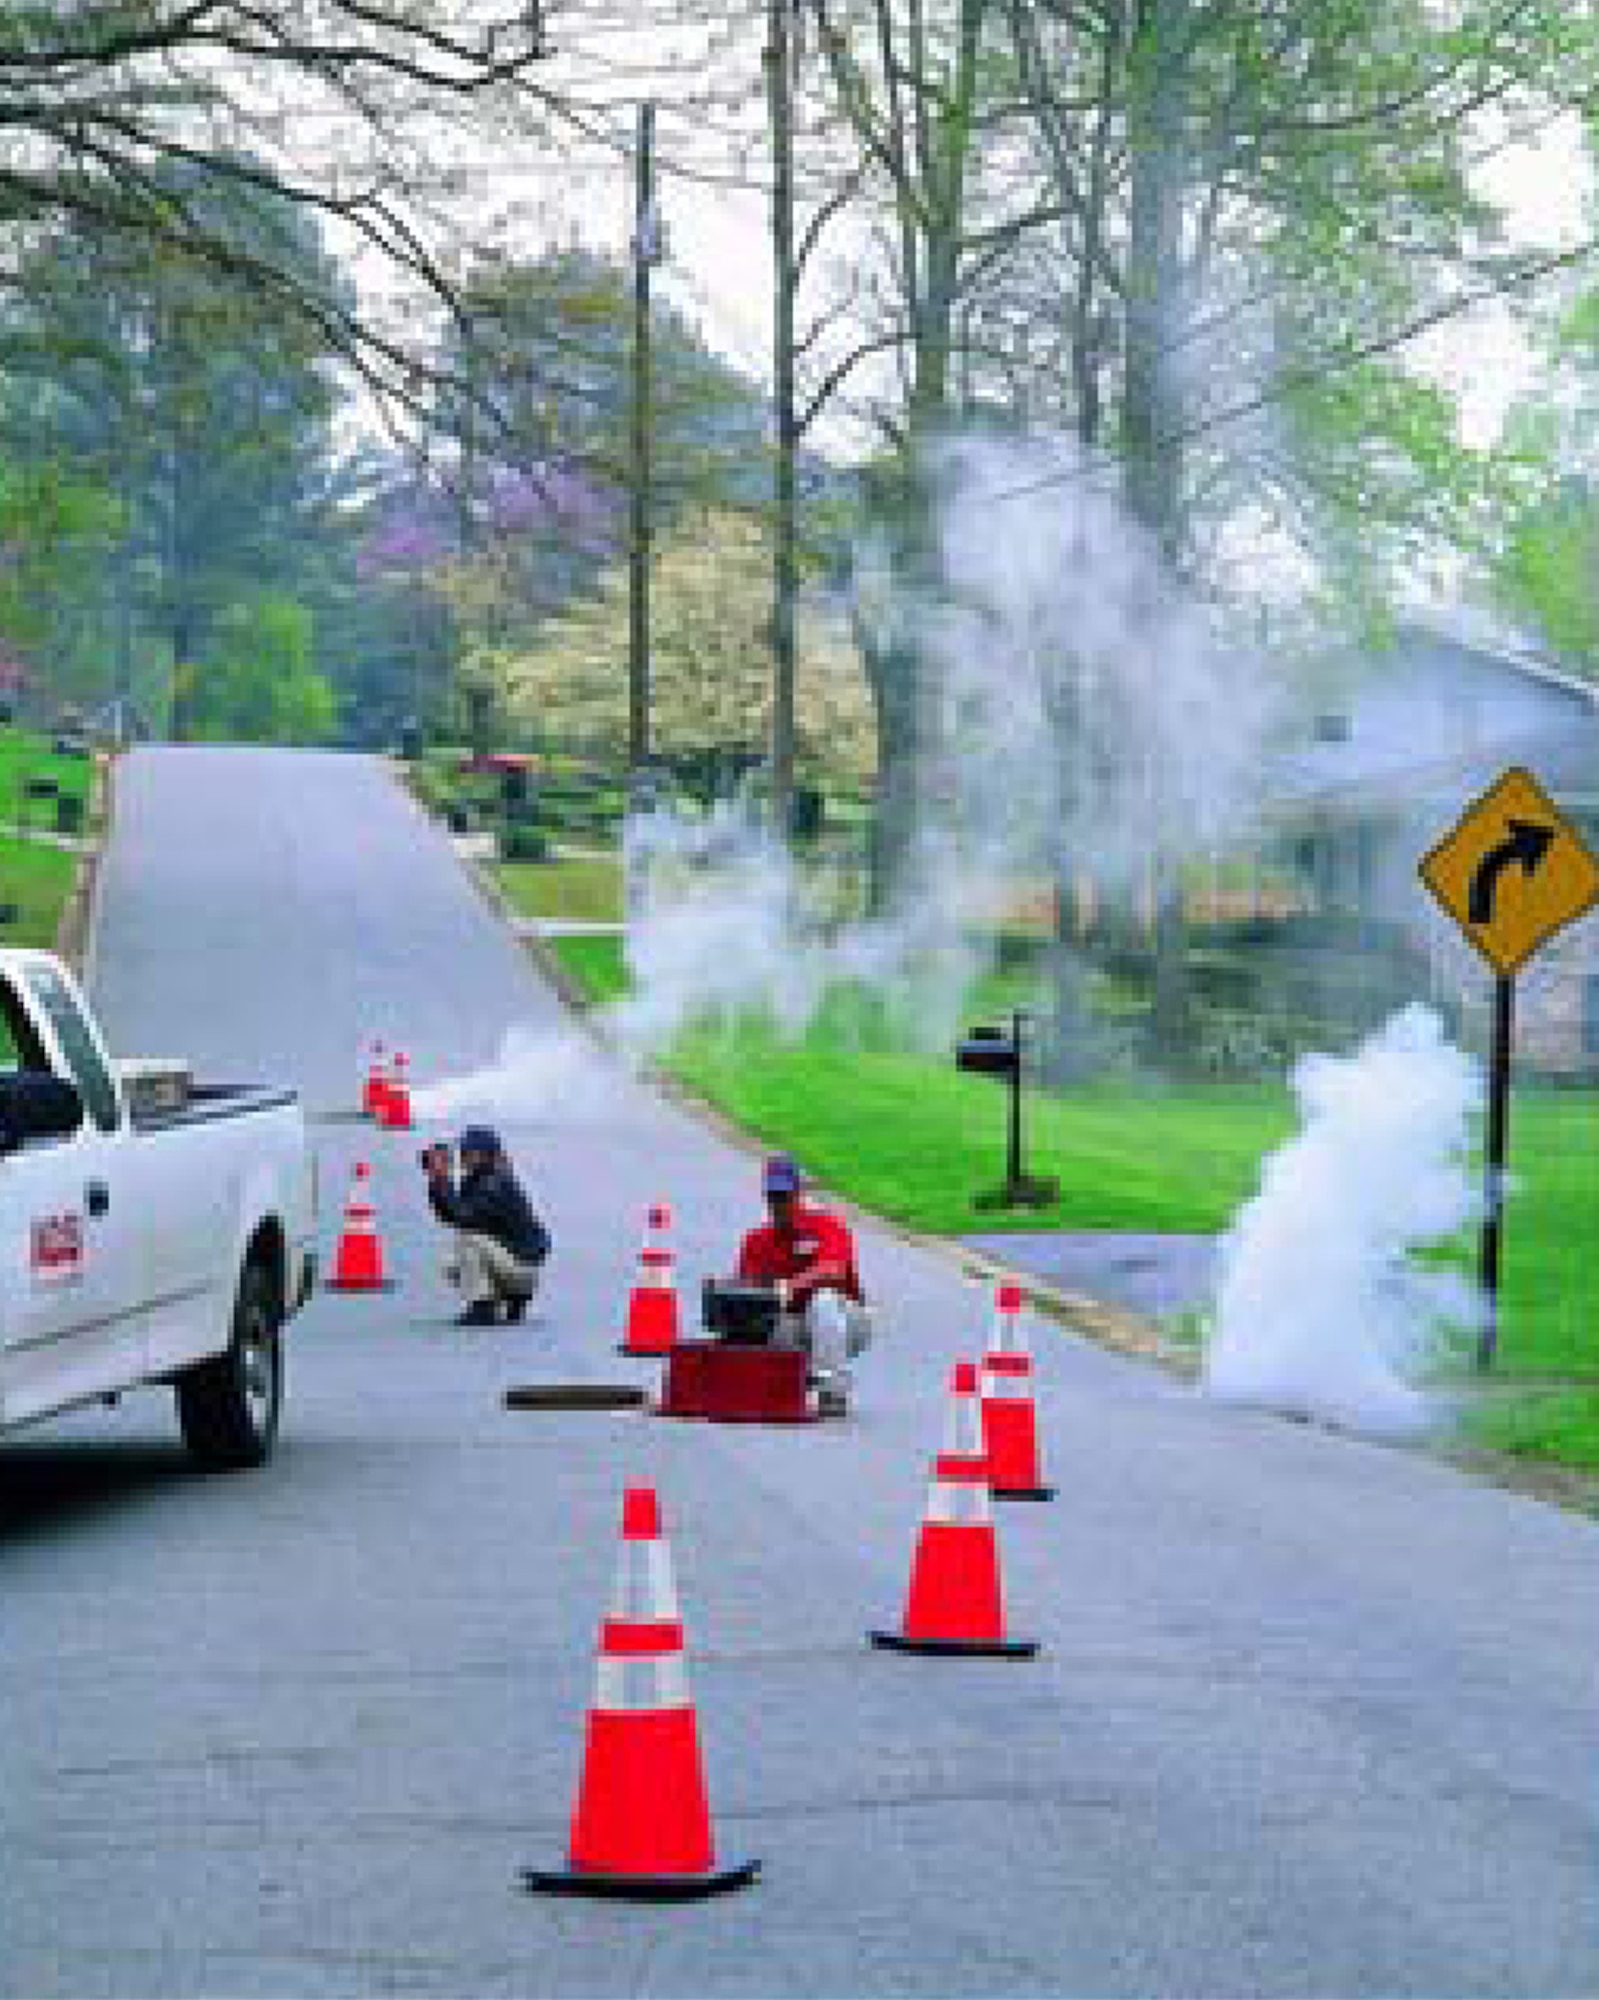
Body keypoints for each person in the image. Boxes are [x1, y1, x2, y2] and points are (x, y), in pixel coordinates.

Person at [734, 1154, 872, 1415]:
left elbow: (834, 1270)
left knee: (823, 1301)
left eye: (785, 1196)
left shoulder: (827, 1226)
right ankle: (786, 1383)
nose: (779, 1205)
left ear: (798, 1194)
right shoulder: (756, 1241)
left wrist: (791, 1286)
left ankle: (832, 1390)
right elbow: (748, 1293)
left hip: (845, 1320)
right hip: (794, 1322)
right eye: (773, 1197)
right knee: (766, 1322)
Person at [422, 1126, 551, 1327]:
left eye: (469, 1152)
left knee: (467, 1242)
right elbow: (451, 1216)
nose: (462, 1156)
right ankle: (510, 1298)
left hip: (522, 1267)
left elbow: (464, 1217)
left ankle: (484, 1305)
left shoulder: (494, 1183)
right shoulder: (483, 1178)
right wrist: (438, 1180)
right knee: (453, 1263)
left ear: (486, 1155)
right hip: (517, 1261)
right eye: (462, 1150)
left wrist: (441, 1179)